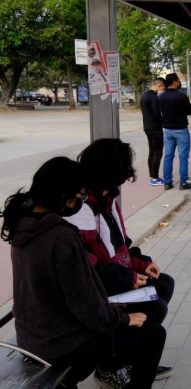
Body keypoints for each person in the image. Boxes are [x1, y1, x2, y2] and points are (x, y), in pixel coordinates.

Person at [1, 156, 166, 388]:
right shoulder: (60, 237)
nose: (80, 202)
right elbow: (86, 305)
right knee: (153, 335)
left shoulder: (24, 224)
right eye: (78, 197)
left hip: (33, 333)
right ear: (62, 195)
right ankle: (104, 372)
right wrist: (123, 319)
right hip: (59, 342)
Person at [65, 139, 175, 329]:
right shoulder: (79, 210)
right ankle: (123, 344)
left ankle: (129, 341)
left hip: (113, 278)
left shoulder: (106, 199)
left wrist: (141, 263)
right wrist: (127, 279)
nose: (125, 178)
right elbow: (87, 268)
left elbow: (121, 244)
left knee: (163, 283)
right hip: (100, 288)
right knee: (156, 311)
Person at [158, 73, 191, 190]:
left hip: (167, 130)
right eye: (178, 80)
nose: (179, 82)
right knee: (183, 156)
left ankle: (167, 183)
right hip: (181, 130)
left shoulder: (161, 97)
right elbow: (189, 111)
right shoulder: (181, 96)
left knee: (168, 156)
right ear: (174, 81)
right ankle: (184, 183)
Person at [141, 77, 166, 186]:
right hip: (155, 128)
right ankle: (155, 178)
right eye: (162, 88)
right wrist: (164, 121)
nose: (162, 90)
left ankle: (152, 176)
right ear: (159, 86)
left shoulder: (144, 96)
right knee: (158, 153)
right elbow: (157, 113)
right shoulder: (153, 97)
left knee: (152, 152)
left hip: (147, 127)